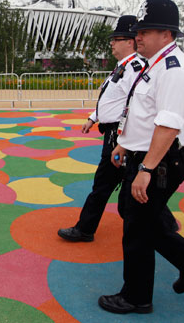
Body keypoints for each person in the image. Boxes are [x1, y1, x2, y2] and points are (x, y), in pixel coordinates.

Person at [98, 0, 184, 315]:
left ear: (166, 33)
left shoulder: (174, 71)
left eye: (145, 31)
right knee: (134, 215)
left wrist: (146, 167)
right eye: (138, 31)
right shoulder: (156, 64)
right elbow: (144, 114)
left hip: (161, 160)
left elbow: (168, 125)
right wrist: (125, 143)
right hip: (146, 154)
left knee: (137, 227)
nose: (138, 37)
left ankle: (136, 297)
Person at [57, 15, 144, 242]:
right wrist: (93, 118)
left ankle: (85, 229)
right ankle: (164, 224)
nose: (112, 43)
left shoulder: (135, 67)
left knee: (105, 184)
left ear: (131, 41)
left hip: (121, 135)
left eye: (117, 39)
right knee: (125, 183)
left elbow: (134, 104)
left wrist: (124, 139)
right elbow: (111, 100)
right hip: (115, 132)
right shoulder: (122, 66)